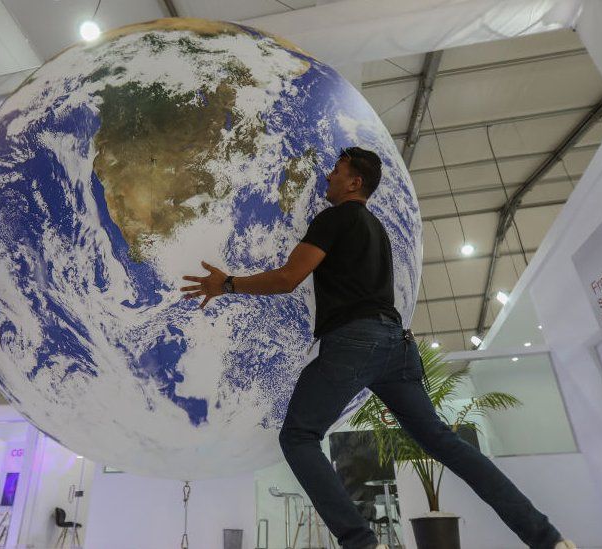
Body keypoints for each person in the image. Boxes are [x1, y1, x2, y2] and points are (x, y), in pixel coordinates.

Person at [181, 147, 574, 549]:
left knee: (298, 436)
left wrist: (226, 284)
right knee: (445, 443)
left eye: (336, 171)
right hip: (397, 345)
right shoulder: (376, 228)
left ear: (355, 182)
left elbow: (288, 278)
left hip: (356, 341)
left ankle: (363, 544)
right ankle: (547, 538)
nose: (327, 177)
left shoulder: (335, 218)